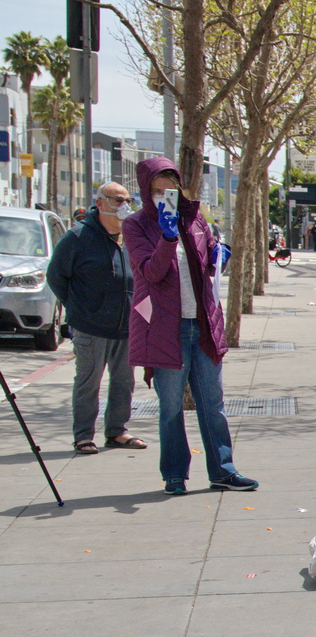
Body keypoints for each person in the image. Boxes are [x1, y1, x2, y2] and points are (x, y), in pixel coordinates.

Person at [123, 156, 258, 495]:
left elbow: (211, 257)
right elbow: (150, 272)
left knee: (212, 403)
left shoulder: (194, 217)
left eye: (170, 190)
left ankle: (223, 471)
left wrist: (219, 254)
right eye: (156, 191)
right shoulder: (136, 225)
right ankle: (174, 474)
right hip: (164, 328)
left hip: (202, 324)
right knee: (171, 407)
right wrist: (167, 238)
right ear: (145, 191)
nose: (164, 197)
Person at [49, 180, 145, 456]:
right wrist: (78, 308)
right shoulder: (78, 237)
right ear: (100, 203)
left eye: (127, 200)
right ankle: (83, 436)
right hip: (90, 327)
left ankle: (117, 430)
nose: (124, 206)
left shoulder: (130, 237)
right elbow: (56, 276)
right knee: (88, 382)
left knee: (124, 382)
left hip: (125, 327)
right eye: (117, 200)